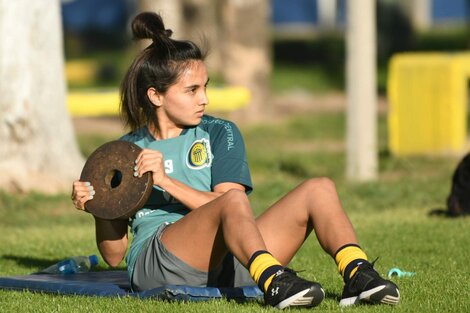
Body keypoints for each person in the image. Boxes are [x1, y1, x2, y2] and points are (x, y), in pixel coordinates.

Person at [71, 12, 400, 309]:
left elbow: (231, 203)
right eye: (191, 90)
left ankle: (358, 274)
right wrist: (99, 209)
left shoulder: (219, 132)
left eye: (205, 87)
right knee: (231, 202)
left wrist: (167, 182)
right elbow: (114, 258)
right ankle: (274, 282)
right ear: (156, 95)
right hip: (159, 262)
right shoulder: (124, 151)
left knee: (319, 188)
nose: (204, 99)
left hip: (232, 256)